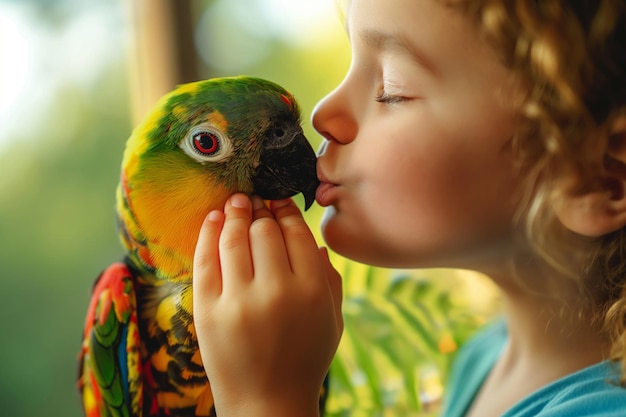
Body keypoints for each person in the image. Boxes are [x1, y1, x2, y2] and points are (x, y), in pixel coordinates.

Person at [191, 0, 626, 416]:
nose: (323, 113)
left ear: (600, 178)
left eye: (392, 88)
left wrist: (267, 400)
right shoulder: (483, 358)